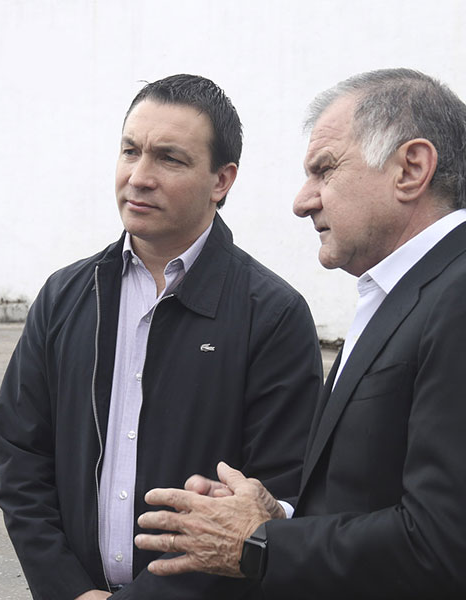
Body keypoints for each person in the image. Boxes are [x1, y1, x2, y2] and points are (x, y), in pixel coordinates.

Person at [135, 68, 466, 599]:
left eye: (324, 170)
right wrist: (277, 518)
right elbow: (369, 495)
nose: (302, 200)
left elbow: (443, 543)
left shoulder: (455, 296)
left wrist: (259, 544)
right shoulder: (404, 292)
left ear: (411, 169)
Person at [0, 74, 322, 599]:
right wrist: (66, 588)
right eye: (130, 151)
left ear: (221, 181)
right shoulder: (66, 296)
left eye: (169, 158)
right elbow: (20, 453)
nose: (139, 177)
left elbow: (271, 499)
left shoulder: (273, 316)